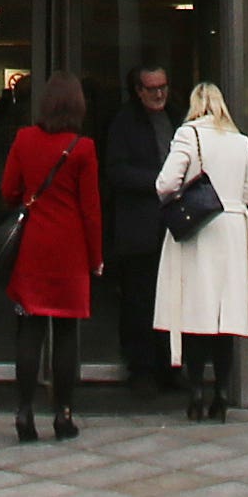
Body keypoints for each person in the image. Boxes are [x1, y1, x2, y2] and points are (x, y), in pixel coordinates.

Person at [0, 68, 104, 442]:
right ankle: (63, 414)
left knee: (29, 330)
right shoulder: (83, 148)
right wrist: (96, 257)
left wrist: (29, 198)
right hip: (70, 250)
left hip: (33, 246)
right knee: (66, 332)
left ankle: (24, 411)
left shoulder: (24, 139)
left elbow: (8, 190)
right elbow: (91, 210)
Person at [150, 78, 248, 421]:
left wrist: (182, 192)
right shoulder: (241, 141)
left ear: (195, 105)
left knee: (195, 313)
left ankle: (197, 390)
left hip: (198, 229)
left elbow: (164, 183)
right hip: (233, 229)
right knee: (226, 316)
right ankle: (222, 393)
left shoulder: (188, 134)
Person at [96, 61, 180, 400]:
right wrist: (158, 182)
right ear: (138, 90)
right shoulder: (124, 123)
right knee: (139, 302)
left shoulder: (176, 117)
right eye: (152, 89)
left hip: (174, 225)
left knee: (172, 299)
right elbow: (116, 171)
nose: (159, 94)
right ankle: (141, 369)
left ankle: (170, 367)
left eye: (163, 87)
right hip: (139, 227)